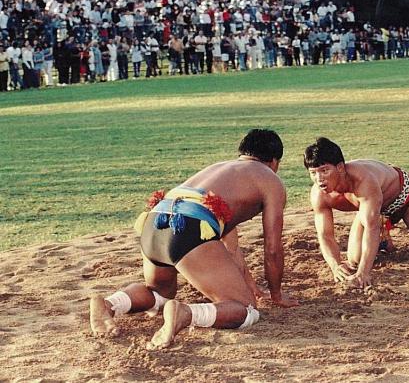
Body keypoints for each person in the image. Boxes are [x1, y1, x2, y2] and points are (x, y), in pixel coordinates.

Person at [90, 129, 299, 349]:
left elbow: (231, 247)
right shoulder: (270, 180)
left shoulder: (221, 169)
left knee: (159, 292)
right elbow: (273, 248)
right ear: (275, 162)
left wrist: (249, 285)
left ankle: (109, 304)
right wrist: (276, 294)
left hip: (154, 221)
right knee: (246, 310)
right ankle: (187, 313)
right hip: (189, 226)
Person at [303, 137, 409, 289]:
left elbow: (371, 228)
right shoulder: (319, 194)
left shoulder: (363, 180)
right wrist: (335, 266)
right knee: (355, 259)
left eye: (324, 171)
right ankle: (383, 239)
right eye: (313, 173)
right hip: (371, 209)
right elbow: (325, 235)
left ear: (340, 168)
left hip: (404, 198)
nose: (319, 179)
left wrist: (363, 273)